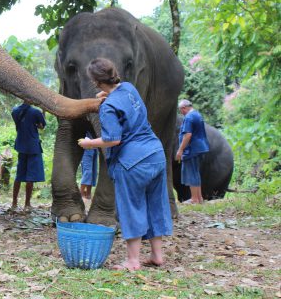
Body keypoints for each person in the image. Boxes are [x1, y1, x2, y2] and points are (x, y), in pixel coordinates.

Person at [78, 58, 172, 271]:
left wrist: (89, 143)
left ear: (95, 82)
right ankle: (157, 255)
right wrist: (107, 94)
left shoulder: (108, 107)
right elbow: (125, 104)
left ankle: (133, 261)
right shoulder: (129, 88)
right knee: (154, 205)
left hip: (132, 162)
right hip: (156, 155)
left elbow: (113, 139)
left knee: (131, 208)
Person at [10, 101, 46, 212]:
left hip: (21, 145)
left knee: (19, 175)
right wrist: (43, 112)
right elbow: (42, 126)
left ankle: (14, 203)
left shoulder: (15, 111)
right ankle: (27, 204)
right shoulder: (36, 112)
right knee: (30, 176)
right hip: (33, 147)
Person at [176, 99, 210, 204]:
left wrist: (180, 150)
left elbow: (188, 135)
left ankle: (194, 199)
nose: (180, 112)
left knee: (191, 173)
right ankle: (199, 198)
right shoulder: (197, 114)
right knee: (195, 172)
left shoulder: (189, 117)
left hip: (192, 149)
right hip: (200, 148)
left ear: (184, 108)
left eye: (180, 110)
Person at [79, 132, 98, 200]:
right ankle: (80, 194)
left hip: (96, 147)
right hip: (87, 147)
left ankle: (88, 194)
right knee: (88, 171)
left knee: (93, 172)